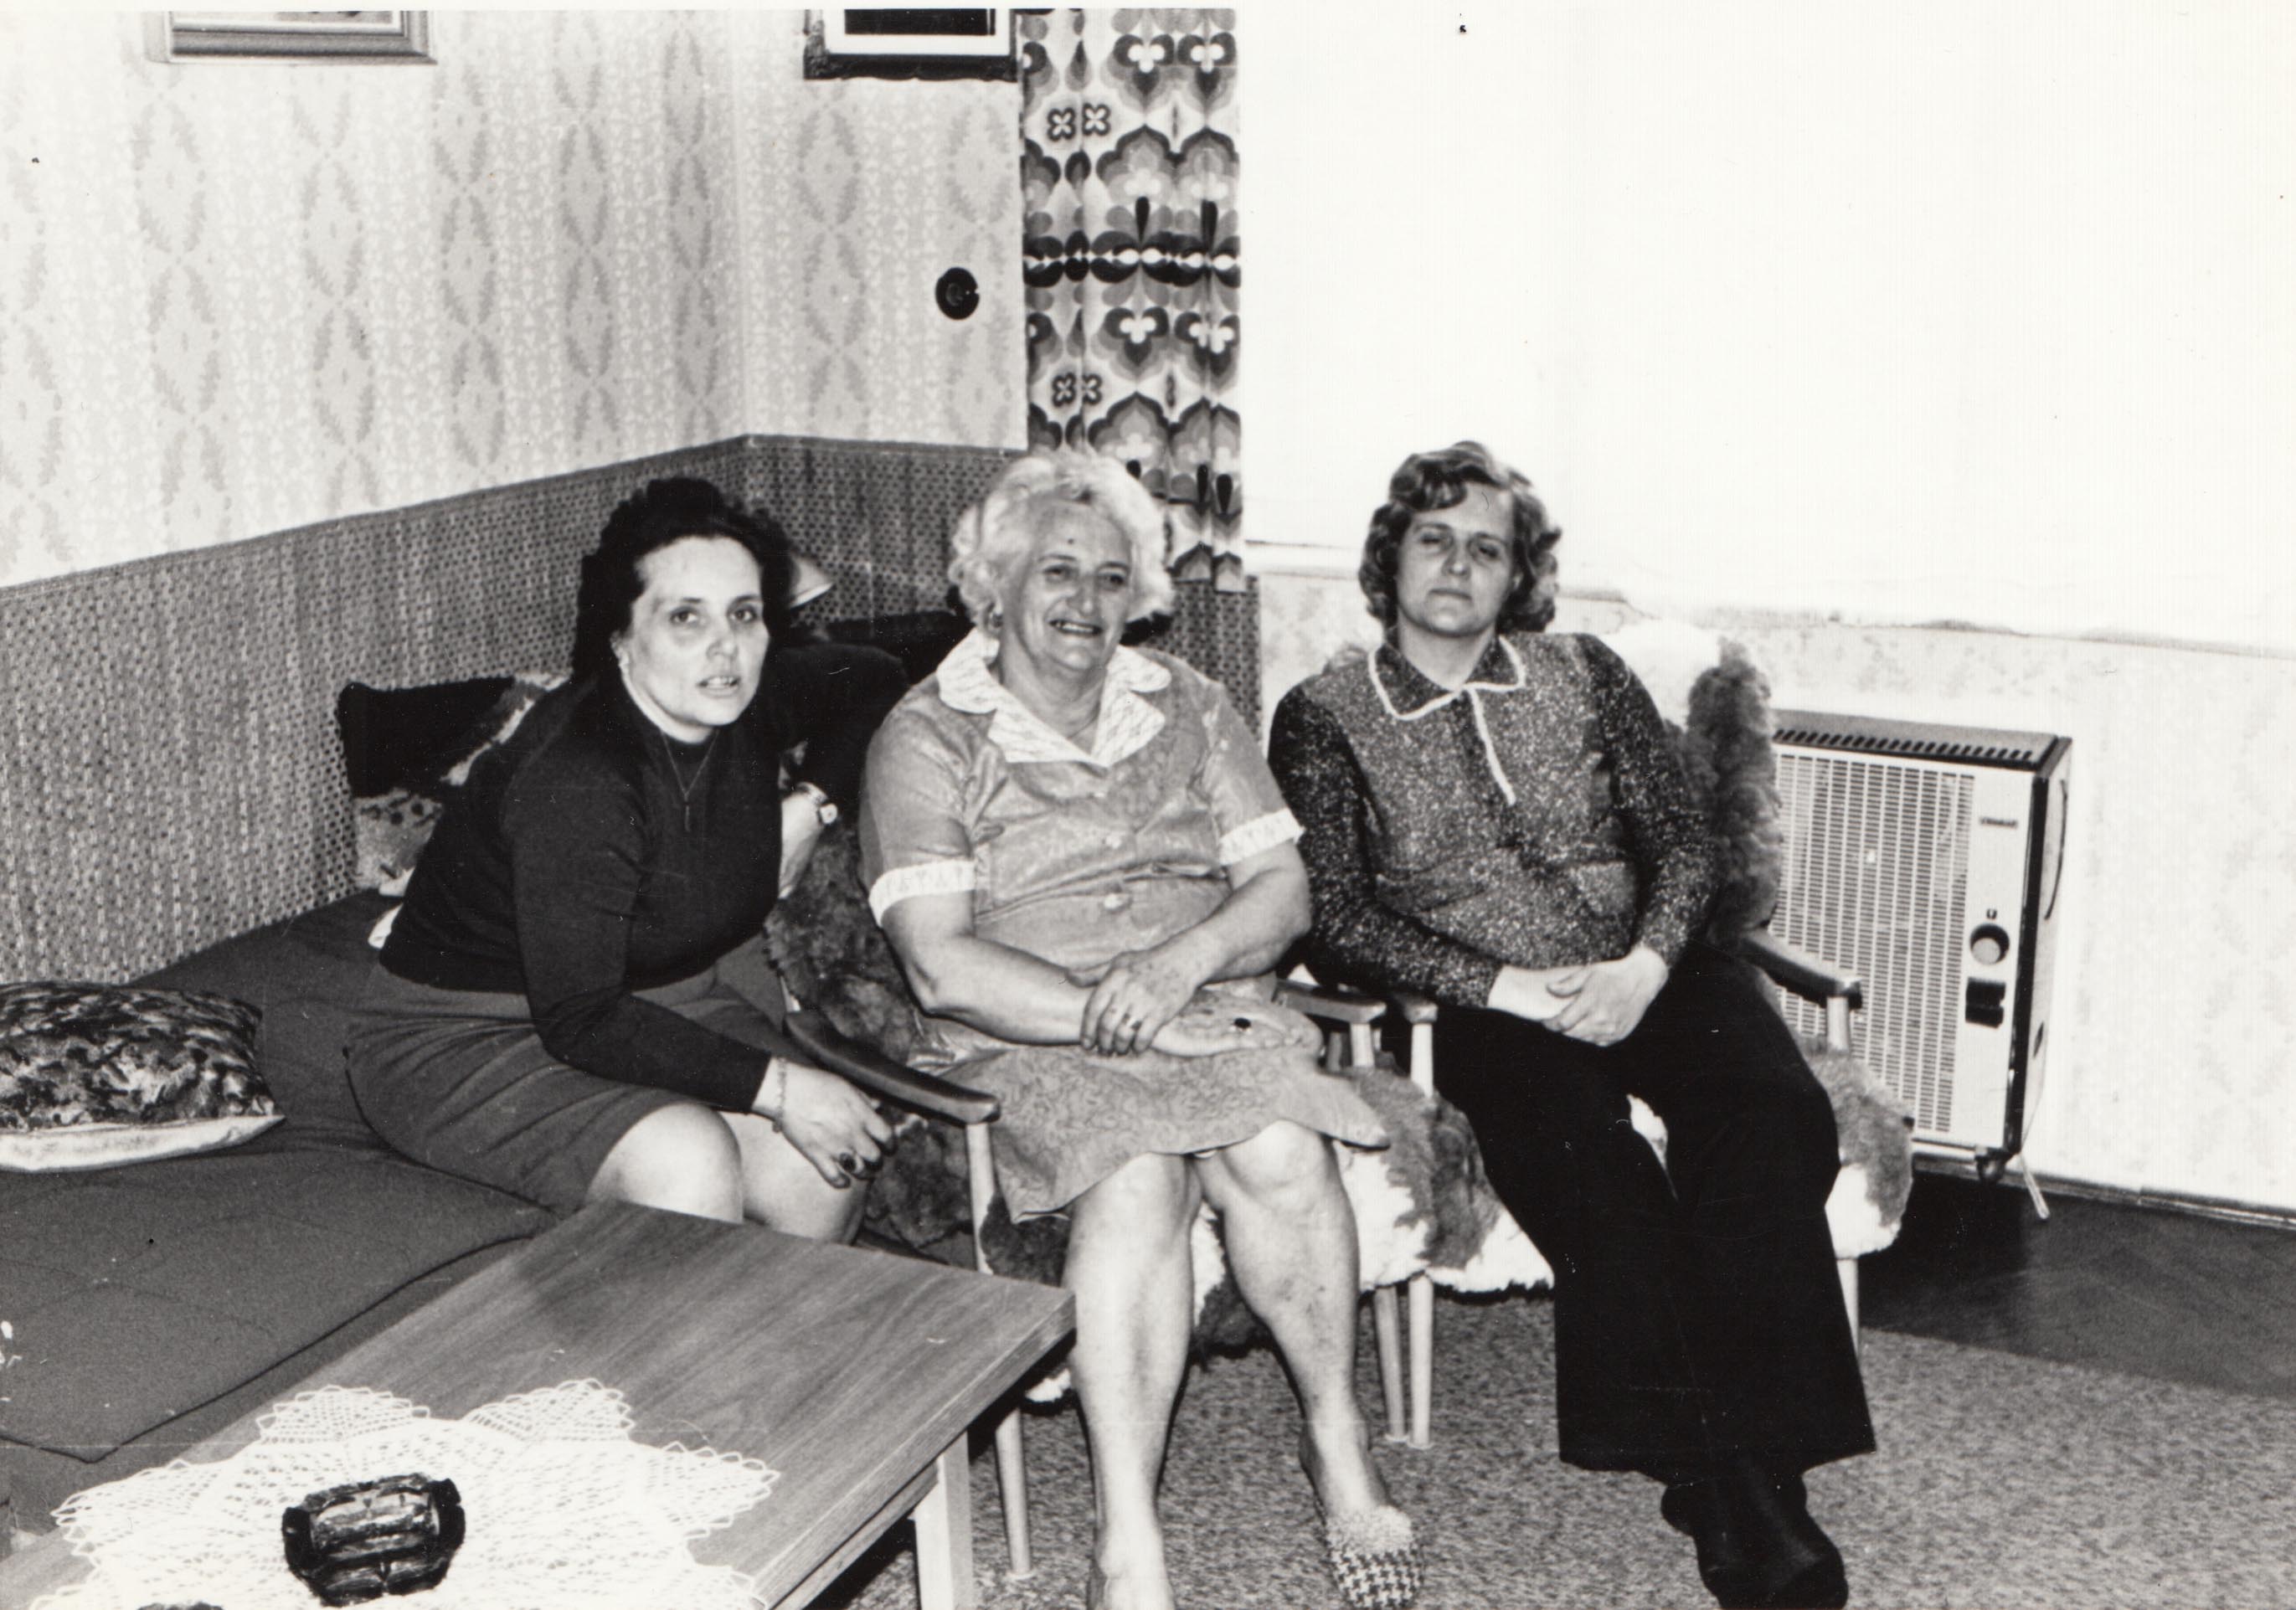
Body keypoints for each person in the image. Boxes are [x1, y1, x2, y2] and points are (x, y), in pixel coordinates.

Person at [1267, 443, 1872, 1610]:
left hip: (1645, 965)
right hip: (1479, 1002)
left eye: (1486, 548)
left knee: (1771, 1109)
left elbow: (1681, 841)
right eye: (1433, 539)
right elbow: (1334, 914)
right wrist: (1500, 985)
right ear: (1390, 559)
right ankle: (1739, 1490)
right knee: (1593, 1165)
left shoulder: (1584, 671)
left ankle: (1734, 1459)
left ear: (1519, 575)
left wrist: (1646, 963)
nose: (1457, 564)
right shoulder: (1325, 715)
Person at [859, 448, 1418, 1610]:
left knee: (1281, 1147)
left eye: (1112, 578)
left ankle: (1335, 1437)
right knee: (1136, 1175)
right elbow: (939, 962)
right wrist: (1116, 1015)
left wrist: (1178, 968)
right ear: (994, 585)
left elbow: (1283, 893)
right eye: (1056, 571)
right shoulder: (926, 734)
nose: (1085, 600)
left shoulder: (1190, 703)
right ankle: (1128, 1536)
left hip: (1200, 999)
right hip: (1028, 1035)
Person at [347, 476, 908, 1237]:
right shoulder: (578, 779)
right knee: (689, 1159)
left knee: (826, 1167)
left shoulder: (737, 694)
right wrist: (778, 1087)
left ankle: (768, 1321)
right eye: (685, 617)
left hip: (662, 996)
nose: (725, 645)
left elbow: (875, 677)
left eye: (744, 613)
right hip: (466, 1036)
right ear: (621, 638)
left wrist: (811, 805)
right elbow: (581, 1017)